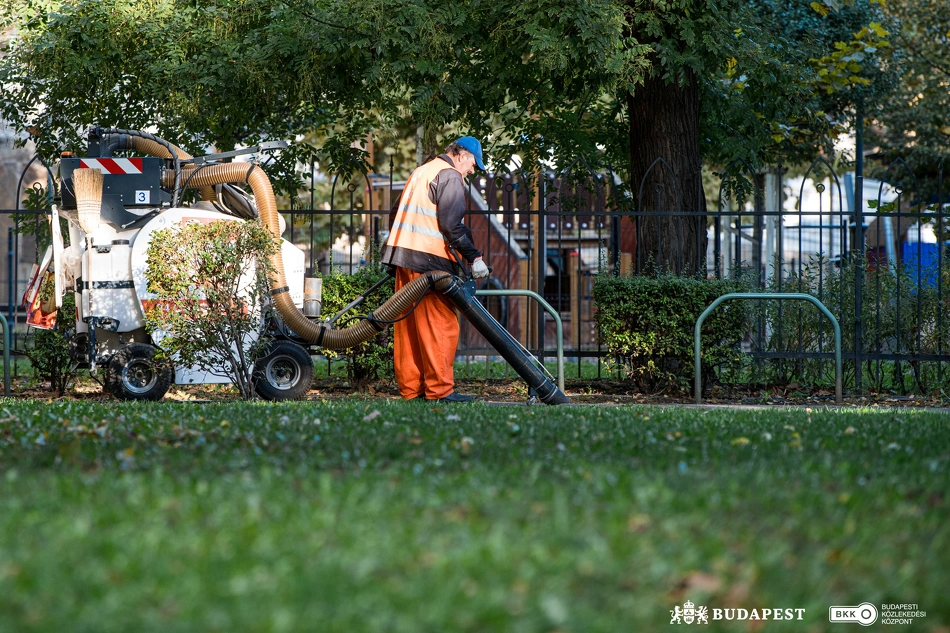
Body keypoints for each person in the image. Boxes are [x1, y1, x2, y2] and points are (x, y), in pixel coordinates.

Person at [381, 136, 490, 402]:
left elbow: (395, 215)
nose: (473, 171)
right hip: (429, 263)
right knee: (441, 323)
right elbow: (451, 224)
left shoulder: (421, 171)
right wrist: (474, 257)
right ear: (462, 155)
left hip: (403, 258)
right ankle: (440, 391)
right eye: (474, 164)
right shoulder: (449, 175)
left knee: (408, 326)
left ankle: (412, 390)